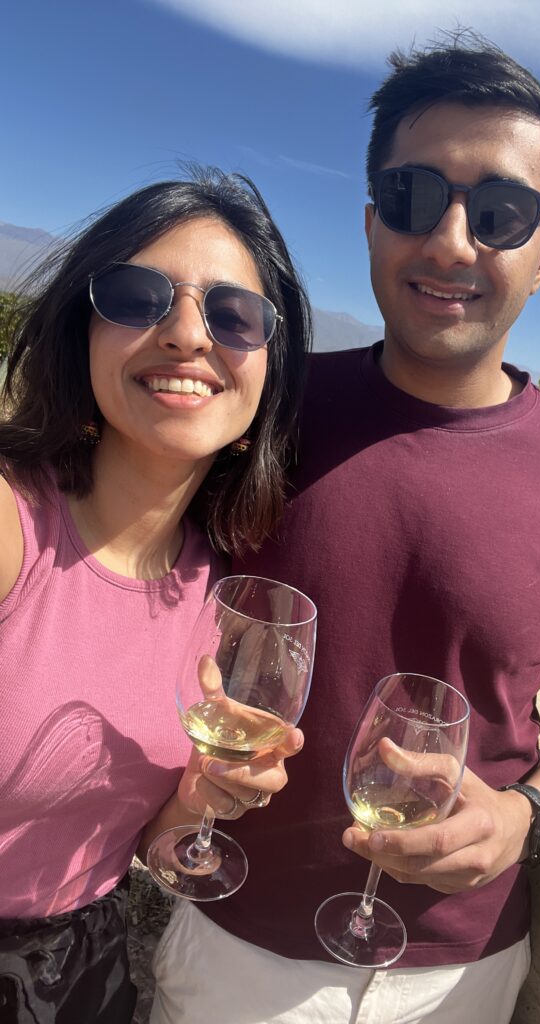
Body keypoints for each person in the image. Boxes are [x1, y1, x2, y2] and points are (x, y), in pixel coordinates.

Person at [151, 34, 540, 1024]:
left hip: (457, 973)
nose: (452, 241)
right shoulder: (262, 403)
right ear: (373, 219)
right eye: (414, 197)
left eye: (502, 213)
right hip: (232, 936)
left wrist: (527, 815)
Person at [0, 167, 311, 1023]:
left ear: (268, 369)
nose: (184, 334)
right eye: (136, 297)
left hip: (78, 973)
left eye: (233, 315)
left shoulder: (218, 593)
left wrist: (196, 805)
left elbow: (146, 852)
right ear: (83, 330)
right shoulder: (12, 522)